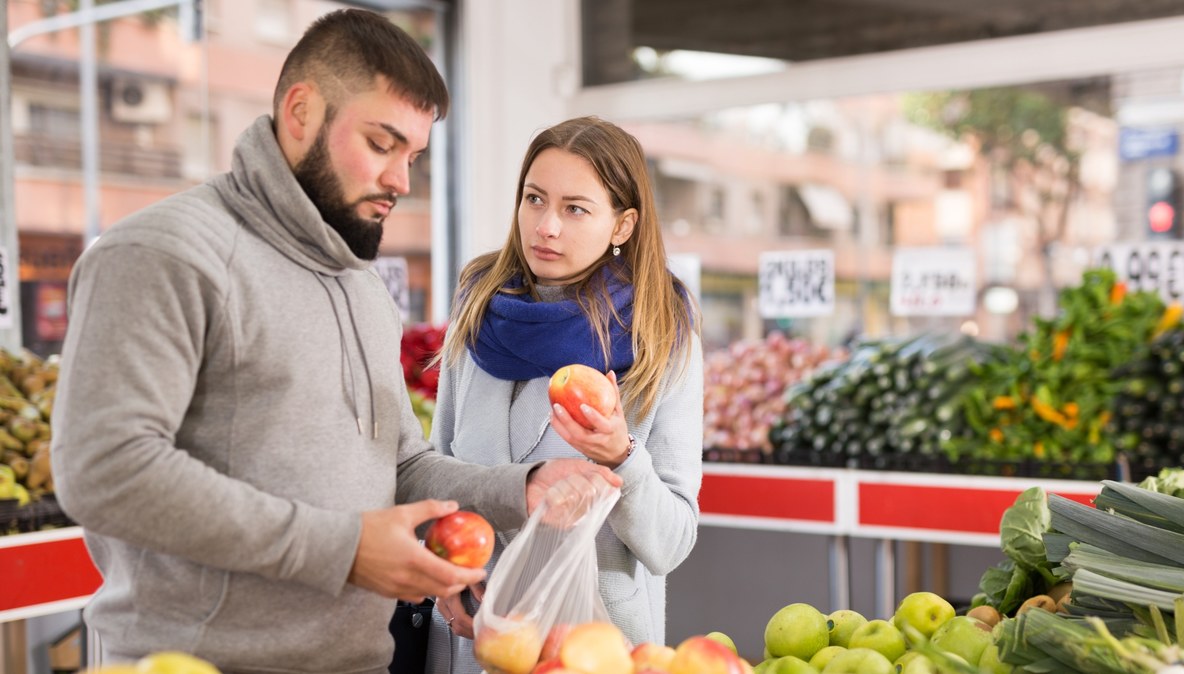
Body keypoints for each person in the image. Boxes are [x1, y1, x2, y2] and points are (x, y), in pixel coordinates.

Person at [49, 10, 618, 673]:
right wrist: (343, 549)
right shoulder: (163, 254)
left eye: (413, 156)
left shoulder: (361, 289)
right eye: (382, 143)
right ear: (300, 112)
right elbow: (106, 470)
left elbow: (398, 465)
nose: (402, 182)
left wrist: (520, 487)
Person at [422, 116, 704, 673]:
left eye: (575, 208)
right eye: (534, 199)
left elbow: (671, 543)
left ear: (622, 225)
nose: (546, 225)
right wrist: (441, 568)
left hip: (593, 649)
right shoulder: (478, 308)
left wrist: (622, 456)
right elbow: (434, 470)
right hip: (471, 636)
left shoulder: (660, 332)